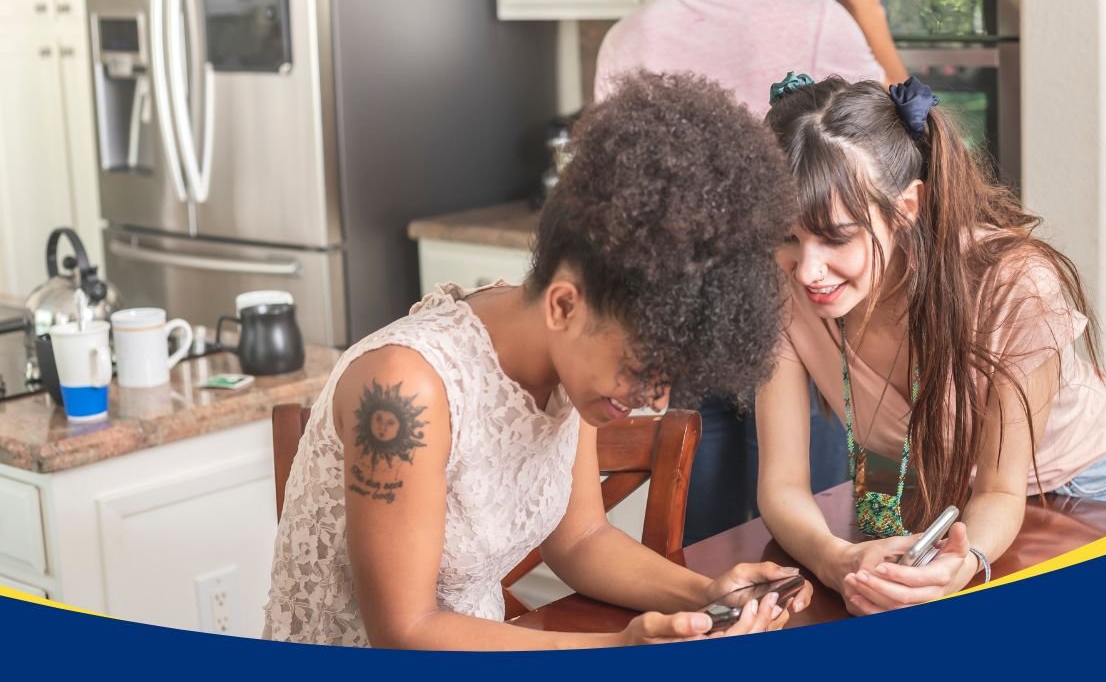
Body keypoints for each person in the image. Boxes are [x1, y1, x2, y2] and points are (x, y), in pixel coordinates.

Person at [263, 72, 812, 649]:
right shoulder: (404, 390)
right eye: (644, 367)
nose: (655, 399)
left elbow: (581, 540)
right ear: (564, 304)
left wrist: (707, 598)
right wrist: (615, 648)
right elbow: (405, 631)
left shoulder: (571, 365)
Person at [755, 73, 1106, 615]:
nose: (809, 270)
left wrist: (965, 561)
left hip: (1094, 493)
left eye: (836, 236)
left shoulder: (1012, 283)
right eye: (787, 237)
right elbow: (782, 484)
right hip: (950, 502)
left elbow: (1001, 491)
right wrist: (834, 559)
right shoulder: (782, 288)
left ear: (907, 206)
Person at [594, 0, 908, 545]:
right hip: (800, 307)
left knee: (697, 533)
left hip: (686, 317)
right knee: (812, 527)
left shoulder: (628, 38)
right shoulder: (818, 17)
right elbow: (904, 142)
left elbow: (621, 204)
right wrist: (866, 7)